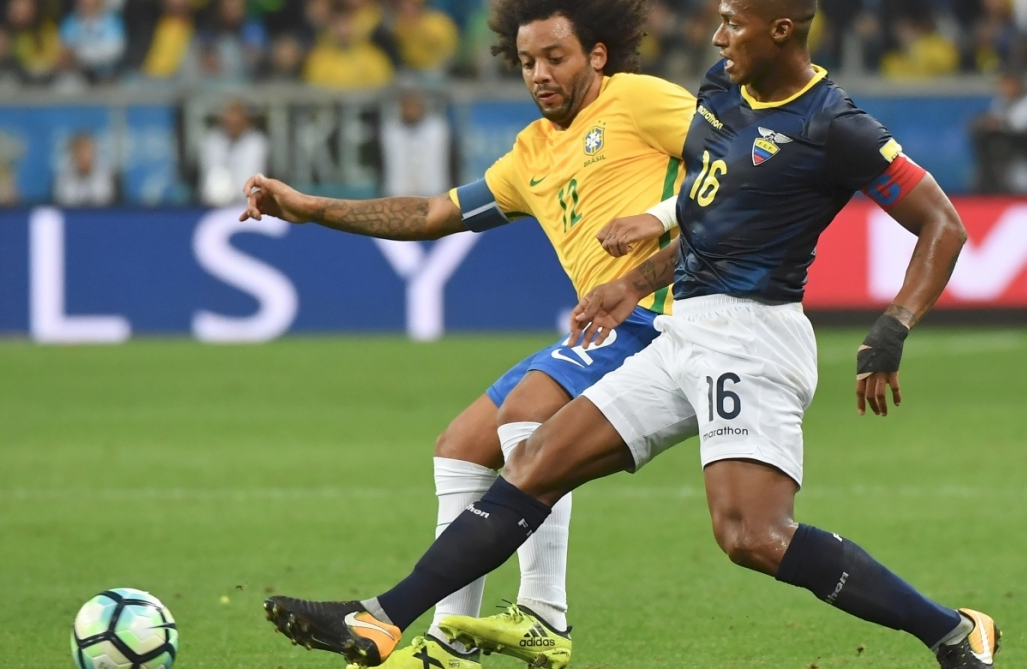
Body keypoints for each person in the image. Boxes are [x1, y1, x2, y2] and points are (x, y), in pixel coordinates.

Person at [255, 2, 1004, 669]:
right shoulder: (721, 89)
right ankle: (382, 617)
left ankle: (953, 630)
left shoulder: (836, 126)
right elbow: (714, 212)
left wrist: (894, 324)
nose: (717, 36)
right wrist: (634, 277)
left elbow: (942, 223)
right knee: (534, 459)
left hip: (751, 337)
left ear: (781, 29)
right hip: (684, 326)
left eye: (733, 22)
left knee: (753, 537)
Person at [241, 1, 694, 667]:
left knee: (528, 409)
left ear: (598, 55)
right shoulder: (531, 151)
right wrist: (314, 209)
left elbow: (741, 170)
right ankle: (450, 642)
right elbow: (432, 213)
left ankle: (543, 612)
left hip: (662, 314)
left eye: (556, 57)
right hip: (606, 322)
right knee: (461, 445)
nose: (539, 73)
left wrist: (659, 217)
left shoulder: (639, 99)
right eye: (527, 61)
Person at [971, 70, 1027, 194]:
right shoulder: (1001, 103)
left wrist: (1002, 126)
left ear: (1018, 84)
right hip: (1005, 164)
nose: (1004, 88)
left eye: (1008, 84)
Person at [379, 91, 451, 198]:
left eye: (414, 106)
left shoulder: (437, 129)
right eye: (407, 107)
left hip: (432, 190)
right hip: (399, 192)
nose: (411, 111)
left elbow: (448, 159)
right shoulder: (391, 131)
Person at [200, 100, 269, 207]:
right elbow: (211, 179)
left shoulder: (257, 143)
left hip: (249, 203)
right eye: (229, 123)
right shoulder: (211, 142)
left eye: (237, 123)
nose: (233, 127)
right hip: (215, 205)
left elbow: (252, 177)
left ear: (246, 121)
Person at [54, 132, 116, 207]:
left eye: (87, 151)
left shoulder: (109, 177)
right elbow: (64, 201)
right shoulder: (63, 177)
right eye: (79, 152)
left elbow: (105, 200)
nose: (83, 156)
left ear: (94, 153)